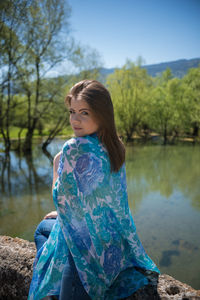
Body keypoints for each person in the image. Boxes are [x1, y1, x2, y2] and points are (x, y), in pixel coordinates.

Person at [28, 80, 160, 300]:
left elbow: (60, 199)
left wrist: (55, 165)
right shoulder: (115, 145)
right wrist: (63, 216)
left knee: (42, 229)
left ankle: (55, 276)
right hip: (114, 246)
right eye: (72, 111)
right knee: (48, 226)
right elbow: (106, 199)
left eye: (84, 113)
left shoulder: (73, 148)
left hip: (85, 252)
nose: (75, 120)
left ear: (101, 114)